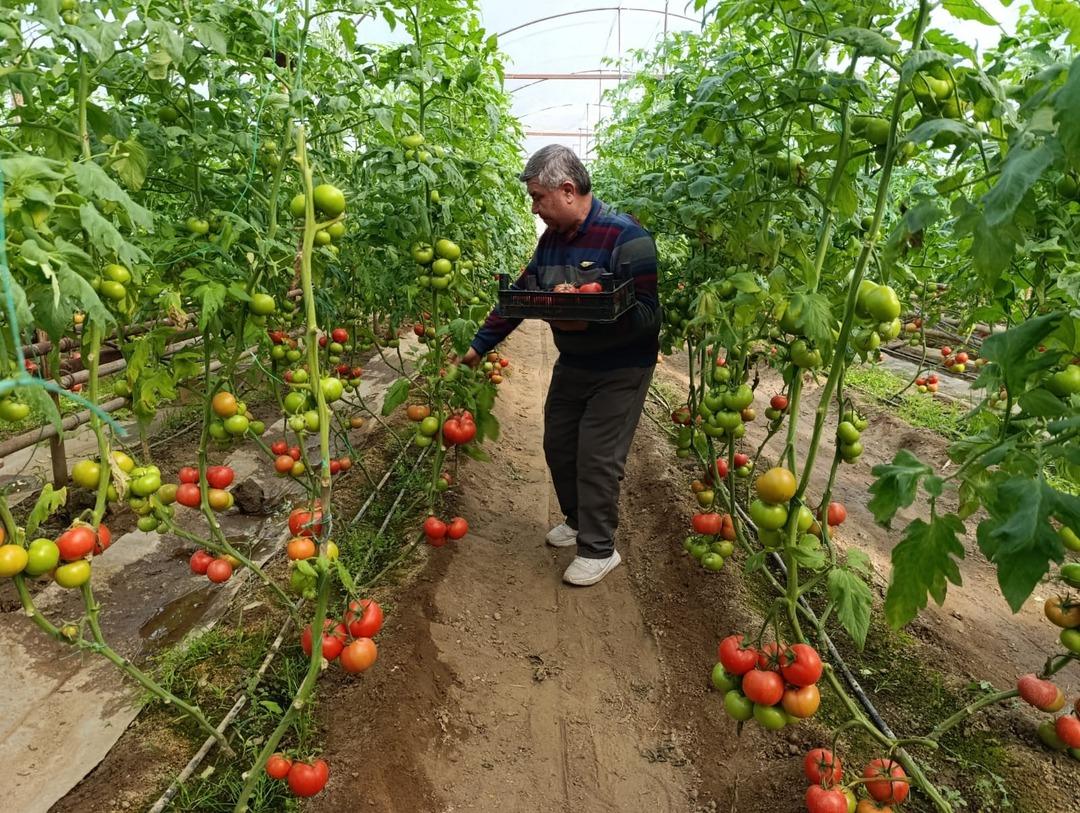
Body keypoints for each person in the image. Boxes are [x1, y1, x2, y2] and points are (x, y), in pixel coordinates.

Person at [461, 145, 661, 586]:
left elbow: (649, 316)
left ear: (567, 190)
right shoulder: (550, 242)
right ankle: (576, 519)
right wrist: (479, 345)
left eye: (538, 198)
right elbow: (519, 295)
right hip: (574, 362)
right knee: (558, 445)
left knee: (598, 455)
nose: (535, 208)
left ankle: (599, 548)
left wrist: (592, 317)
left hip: (622, 368)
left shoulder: (627, 237)